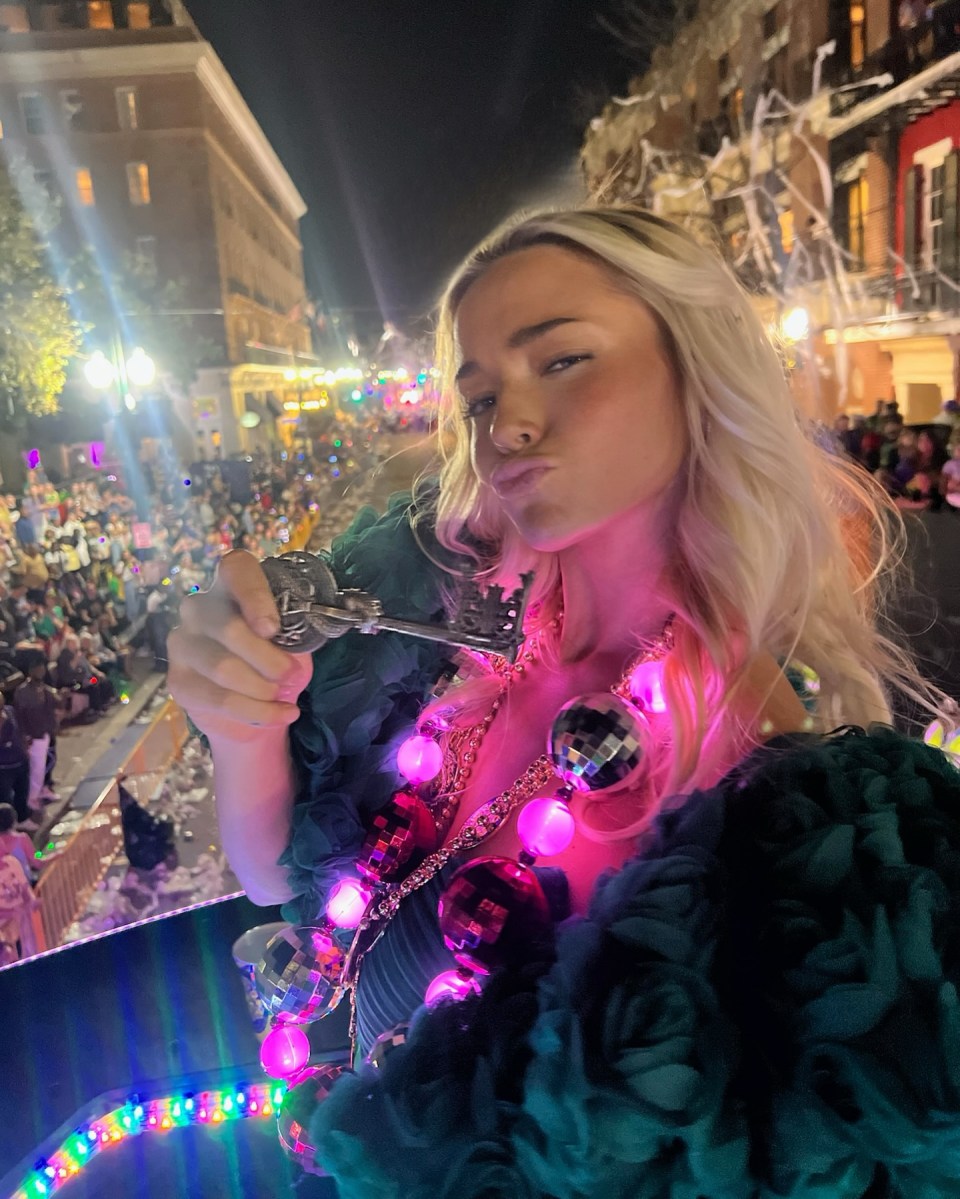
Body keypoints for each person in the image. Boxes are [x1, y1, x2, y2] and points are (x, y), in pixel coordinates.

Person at [169, 205, 960, 1197]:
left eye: (562, 361)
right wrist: (245, 719)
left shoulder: (751, 752)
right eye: (481, 393)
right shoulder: (447, 637)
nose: (508, 424)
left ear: (694, 368)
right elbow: (273, 877)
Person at [13, 650, 59, 809]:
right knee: (36, 769)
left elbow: (56, 703)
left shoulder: (44, 688)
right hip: (34, 736)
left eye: (42, 668)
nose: (41, 671)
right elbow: (20, 717)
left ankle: (44, 790)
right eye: (38, 669)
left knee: (48, 763)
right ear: (31, 671)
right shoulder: (22, 692)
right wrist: (25, 737)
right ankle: (32, 798)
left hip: (47, 731)